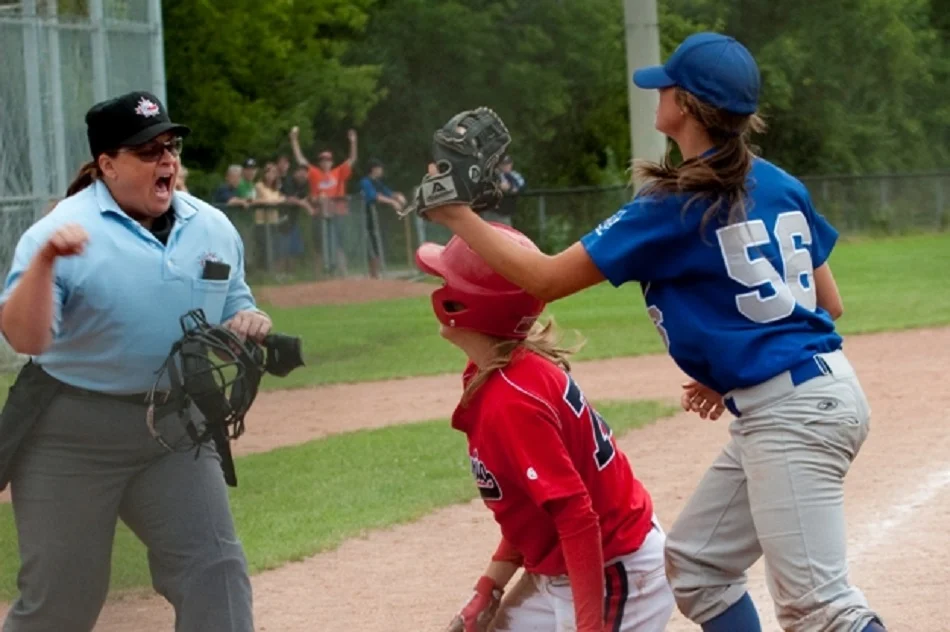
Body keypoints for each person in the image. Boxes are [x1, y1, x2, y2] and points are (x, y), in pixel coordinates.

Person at [416, 33, 885, 632]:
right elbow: (828, 303)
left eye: (667, 86)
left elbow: (546, 279)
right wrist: (735, 370)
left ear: (685, 107)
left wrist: (455, 214)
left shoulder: (670, 204)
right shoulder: (777, 181)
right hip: (803, 396)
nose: (657, 93)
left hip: (794, 411)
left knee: (821, 608)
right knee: (697, 566)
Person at [0, 90, 269, 632]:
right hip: (69, 434)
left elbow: (233, 301)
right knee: (63, 600)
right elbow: (26, 338)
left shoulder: (211, 227)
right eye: (147, 151)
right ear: (107, 165)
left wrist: (248, 320)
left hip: (173, 429)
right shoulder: (57, 234)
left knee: (215, 575)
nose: (165, 159)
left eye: (169, 146)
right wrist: (48, 262)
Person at [418, 224, 674, 632]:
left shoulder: (512, 399)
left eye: (447, 279)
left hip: (613, 571)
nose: (438, 285)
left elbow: (576, 517)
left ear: (470, 303)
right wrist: (490, 586)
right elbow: (532, 506)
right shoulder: (493, 374)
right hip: (570, 569)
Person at [289, 126, 357, 276]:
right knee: (318, 246)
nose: (325, 162)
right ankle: (319, 276)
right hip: (319, 213)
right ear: (319, 162)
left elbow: (352, 160)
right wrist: (294, 139)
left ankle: (344, 273)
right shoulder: (314, 173)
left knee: (339, 245)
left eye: (328, 159)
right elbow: (300, 159)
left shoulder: (338, 172)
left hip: (337, 212)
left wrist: (353, 142)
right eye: (322, 160)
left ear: (332, 162)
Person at [359, 159, 406, 278]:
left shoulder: (377, 183)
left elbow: (387, 193)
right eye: (379, 168)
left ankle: (377, 274)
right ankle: (373, 274)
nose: (381, 171)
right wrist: (392, 202)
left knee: (378, 243)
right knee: (371, 244)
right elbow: (374, 196)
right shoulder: (365, 182)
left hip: (375, 219)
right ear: (374, 169)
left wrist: (398, 196)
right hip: (366, 218)